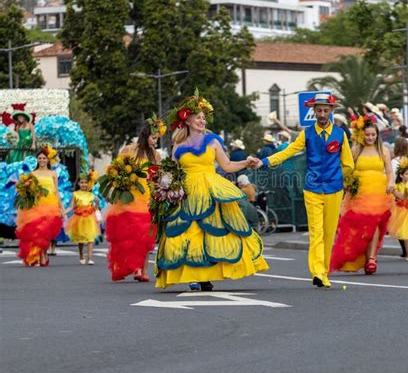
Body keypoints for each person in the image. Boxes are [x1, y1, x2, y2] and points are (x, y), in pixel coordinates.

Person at [155, 91, 268, 292]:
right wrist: (165, 185)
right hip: (187, 192)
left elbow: (227, 166)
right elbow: (172, 170)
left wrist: (246, 162)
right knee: (190, 232)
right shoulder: (178, 144)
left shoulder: (214, 141)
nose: (202, 120)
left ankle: (207, 276)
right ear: (187, 119)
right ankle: (194, 276)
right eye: (198, 117)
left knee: (213, 232)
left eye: (203, 117)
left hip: (210, 189)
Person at [249, 91, 354, 288]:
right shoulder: (307, 134)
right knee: (316, 232)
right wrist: (264, 162)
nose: (322, 114)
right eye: (319, 110)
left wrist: (341, 179)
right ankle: (318, 272)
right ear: (313, 111)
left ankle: (324, 270)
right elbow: (288, 152)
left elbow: (348, 163)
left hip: (334, 188)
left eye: (325, 110)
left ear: (331, 111)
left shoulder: (340, 135)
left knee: (329, 232)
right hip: (312, 188)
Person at [330, 115, 394, 275]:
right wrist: (347, 184)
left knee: (375, 223)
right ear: (361, 135)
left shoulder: (383, 150)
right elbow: (347, 169)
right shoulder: (355, 150)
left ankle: (372, 258)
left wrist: (391, 183)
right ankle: (362, 257)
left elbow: (390, 170)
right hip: (359, 192)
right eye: (367, 134)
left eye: (373, 134)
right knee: (359, 228)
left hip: (378, 191)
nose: (371, 137)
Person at [105, 117, 163, 283]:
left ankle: (142, 270)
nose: (155, 142)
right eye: (154, 138)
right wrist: (120, 182)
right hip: (128, 199)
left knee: (145, 236)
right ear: (146, 136)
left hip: (146, 199)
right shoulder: (129, 150)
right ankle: (129, 267)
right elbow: (115, 170)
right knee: (128, 235)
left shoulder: (156, 155)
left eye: (157, 139)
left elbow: (157, 176)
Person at [15, 145, 64, 267]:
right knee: (37, 232)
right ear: (37, 160)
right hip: (36, 206)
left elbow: (56, 191)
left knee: (46, 233)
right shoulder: (33, 174)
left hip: (50, 206)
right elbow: (29, 191)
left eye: (44, 158)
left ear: (48, 160)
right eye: (40, 158)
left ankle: (44, 254)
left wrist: (61, 208)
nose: (42, 160)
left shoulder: (53, 173)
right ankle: (38, 256)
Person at [65, 172, 100, 265]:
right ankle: (81, 254)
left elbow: (96, 206)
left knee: (90, 238)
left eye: (85, 182)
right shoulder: (75, 194)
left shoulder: (91, 195)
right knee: (81, 240)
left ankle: (90, 258)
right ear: (79, 184)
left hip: (89, 218)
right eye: (82, 182)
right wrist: (63, 212)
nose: (84, 184)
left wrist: (96, 204)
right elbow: (71, 206)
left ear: (89, 184)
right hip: (79, 218)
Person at [392, 157, 408, 261]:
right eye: (407, 174)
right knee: (405, 233)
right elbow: (399, 196)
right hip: (402, 210)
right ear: (401, 176)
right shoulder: (397, 185)